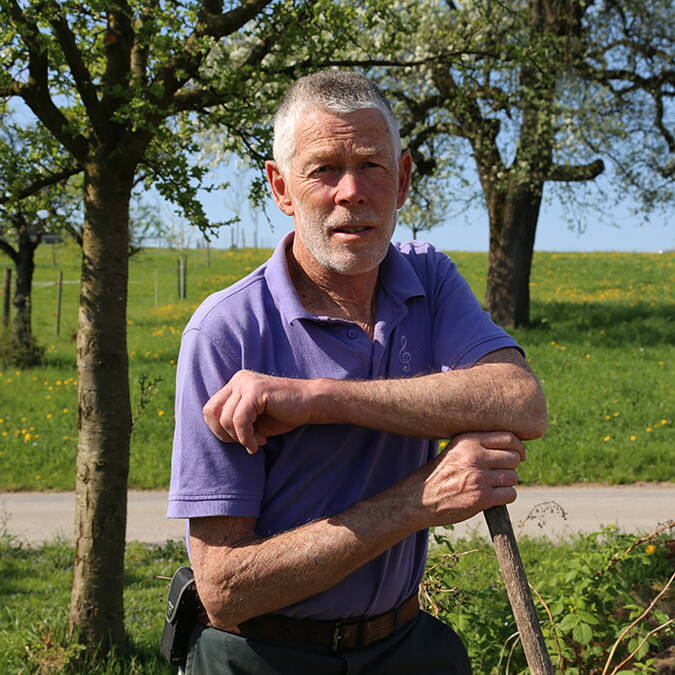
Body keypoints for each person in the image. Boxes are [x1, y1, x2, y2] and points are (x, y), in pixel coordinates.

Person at [168, 69, 547, 674]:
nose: (351, 192)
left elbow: (521, 401)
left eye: (372, 165)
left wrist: (319, 398)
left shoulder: (426, 277)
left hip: (401, 646)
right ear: (282, 188)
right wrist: (420, 501)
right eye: (323, 169)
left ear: (402, 181)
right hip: (262, 655)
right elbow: (225, 590)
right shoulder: (227, 332)